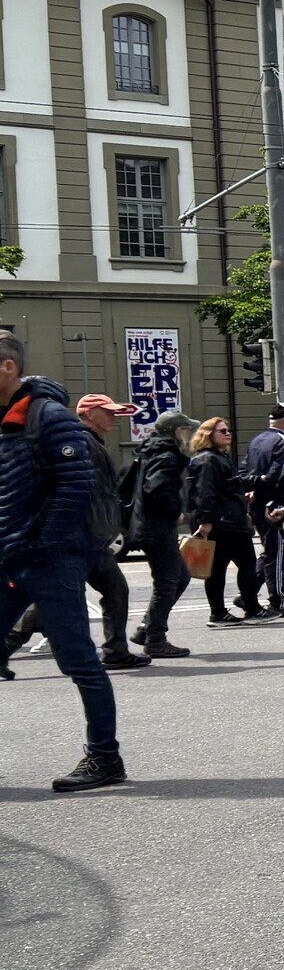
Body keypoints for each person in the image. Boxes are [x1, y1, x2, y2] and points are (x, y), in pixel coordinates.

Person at [0, 331, 125, 790]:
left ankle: (105, 758)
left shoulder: (50, 420)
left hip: (50, 560)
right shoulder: (6, 421)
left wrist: (41, 544)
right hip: (11, 557)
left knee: (78, 660)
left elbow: (74, 490)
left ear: (7, 368)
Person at [3, 394, 144, 675]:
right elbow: (81, 492)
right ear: (89, 414)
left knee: (103, 590)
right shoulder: (81, 443)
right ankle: (114, 650)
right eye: (109, 412)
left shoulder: (90, 442)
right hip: (79, 537)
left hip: (87, 537)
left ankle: (116, 650)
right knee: (63, 595)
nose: (115, 418)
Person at [127, 409, 196, 657]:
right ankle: (155, 638)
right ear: (178, 431)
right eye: (188, 429)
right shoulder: (167, 456)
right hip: (157, 527)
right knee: (167, 582)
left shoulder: (153, 450)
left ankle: (147, 628)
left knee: (179, 577)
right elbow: (156, 490)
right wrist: (175, 512)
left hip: (150, 525)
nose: (191, 434)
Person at [184, 417, 260, 622]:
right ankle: (250, 607)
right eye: (222, 431)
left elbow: (220, 490)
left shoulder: (214, 458)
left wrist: (240, 496)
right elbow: (205, 493)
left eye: (228, 430)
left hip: (224, 520)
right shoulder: (209, 460)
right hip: (225, 523)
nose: (228, 434)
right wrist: (205, 522)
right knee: (247, 564)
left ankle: (218, 612)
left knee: (217, 568)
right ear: (209, 435)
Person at [242, 402, 284, 617]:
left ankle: (248, 595)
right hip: (276, 504)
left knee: (271, 552)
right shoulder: (283, 442)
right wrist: (264, 482)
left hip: (258, 504)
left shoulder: (257, 440)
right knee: (277, 554)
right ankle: (278, 601)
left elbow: (243, 472)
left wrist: (253, 486)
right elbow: (277, 475)